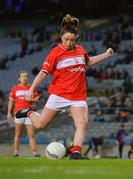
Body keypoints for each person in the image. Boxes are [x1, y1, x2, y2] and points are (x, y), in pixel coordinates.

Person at [15, 14, 114, 159]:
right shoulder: (55, 53)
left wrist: (106, 54)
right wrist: (31, 89)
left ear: (76, 38)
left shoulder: (80, 50)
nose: (68, 43)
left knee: (82, 123)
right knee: (40, 125)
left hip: (77, 97)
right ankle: (30, 112)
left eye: (72, 40)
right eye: (66, 39)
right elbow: (43, 74)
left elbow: (89, 61)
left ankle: (75, 152)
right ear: (61, 38)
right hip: (59, 95)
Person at [7, 71, 40, 157]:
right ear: (19, 78)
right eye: (22, 76)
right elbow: (11, 101)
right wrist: (8, 112)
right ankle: (16, 152)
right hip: (18, 113)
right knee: (18, 134)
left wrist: (31, 99)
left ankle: (35, 153)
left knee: (31, 134)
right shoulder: (15, 88)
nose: (24, 78)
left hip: (29, 113)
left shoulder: (31, 88)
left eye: (26, 76)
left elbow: (37, 99)